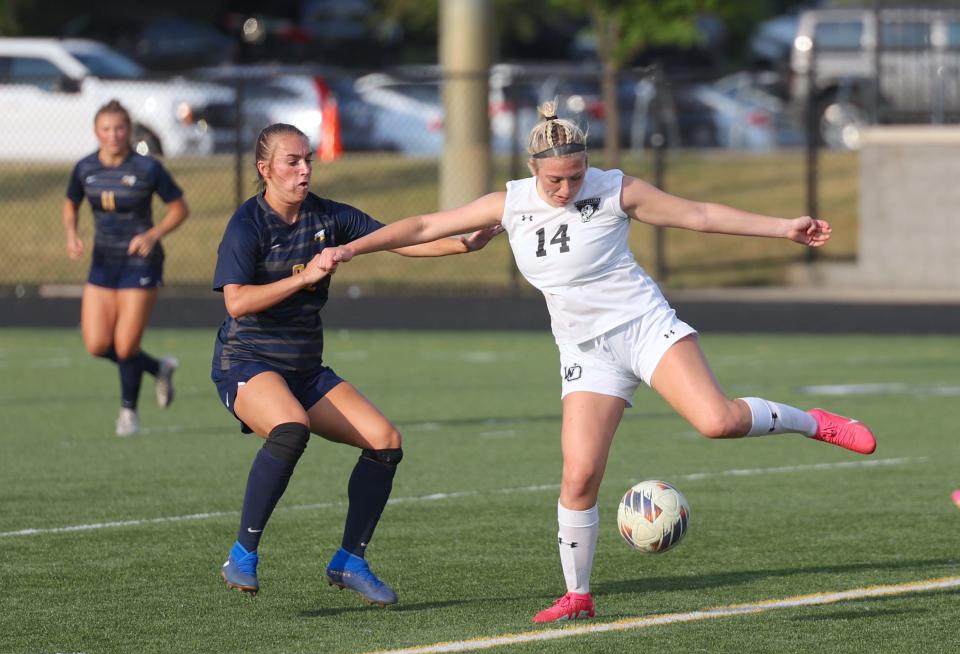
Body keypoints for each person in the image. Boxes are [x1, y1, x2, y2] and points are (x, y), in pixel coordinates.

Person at [319, 100, 878, 622]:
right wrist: (351, 248)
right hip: (586, 352)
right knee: (580, 474)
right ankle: (578, 594)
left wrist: (784, 227)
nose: (565, 187)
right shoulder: (509, 202)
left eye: (576, 175)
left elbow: (700, 215)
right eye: (555, 178)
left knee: (718, 422)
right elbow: (419, 227)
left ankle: (815, 422)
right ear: (533, 168)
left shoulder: (615, 189)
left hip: (644, 327)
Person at [213, 123, 499, 603]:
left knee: (385, 441)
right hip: (247, 361)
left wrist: (460, 244)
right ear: (265, 170)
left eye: (308, 159)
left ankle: (349, 560)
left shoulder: (327, 215)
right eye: (292, 162)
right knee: (291, 427)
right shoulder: (247, 225)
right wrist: (305, 278)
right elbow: (237, 303)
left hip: (305, 369)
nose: (304, 169)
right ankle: (243, 553)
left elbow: (396, 239)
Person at [63, 99, 188, 437]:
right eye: (106, 129)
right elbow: (71, 202)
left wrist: (154, 233)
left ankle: (128, 414)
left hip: (141, 263)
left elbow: (179, 208)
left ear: (128, 131)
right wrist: (72, 235)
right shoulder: (85, 167)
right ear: (96, 132)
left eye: (119, 128)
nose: (114, 135)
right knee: (97, 345)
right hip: (103, 263)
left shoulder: (148, 168)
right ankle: (159, 368)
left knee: (125, 346)